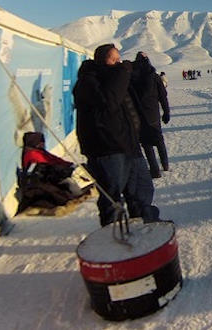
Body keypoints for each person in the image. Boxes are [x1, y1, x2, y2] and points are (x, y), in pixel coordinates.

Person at [73, 44, 162, 226]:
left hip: (130, 144)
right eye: (114, 60)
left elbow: (143, 81)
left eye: (119, 59)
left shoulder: (115, 77)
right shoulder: (89, 80)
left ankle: (146, 224)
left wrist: (143, 64)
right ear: (103, 60)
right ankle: (113, 236)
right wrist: (122, 72)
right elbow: (109, 101)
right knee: (112, 197)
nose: (119, 63)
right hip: (107, 149)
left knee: (141, 190)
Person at [131, 52, 171, 179]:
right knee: (159, 140)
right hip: (153, 114)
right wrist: (166, 112)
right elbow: (163, 96)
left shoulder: (132, 78)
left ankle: (155, 170)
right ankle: (165, 165)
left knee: (146, 144)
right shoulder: (154, 77)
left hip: (138, 115)